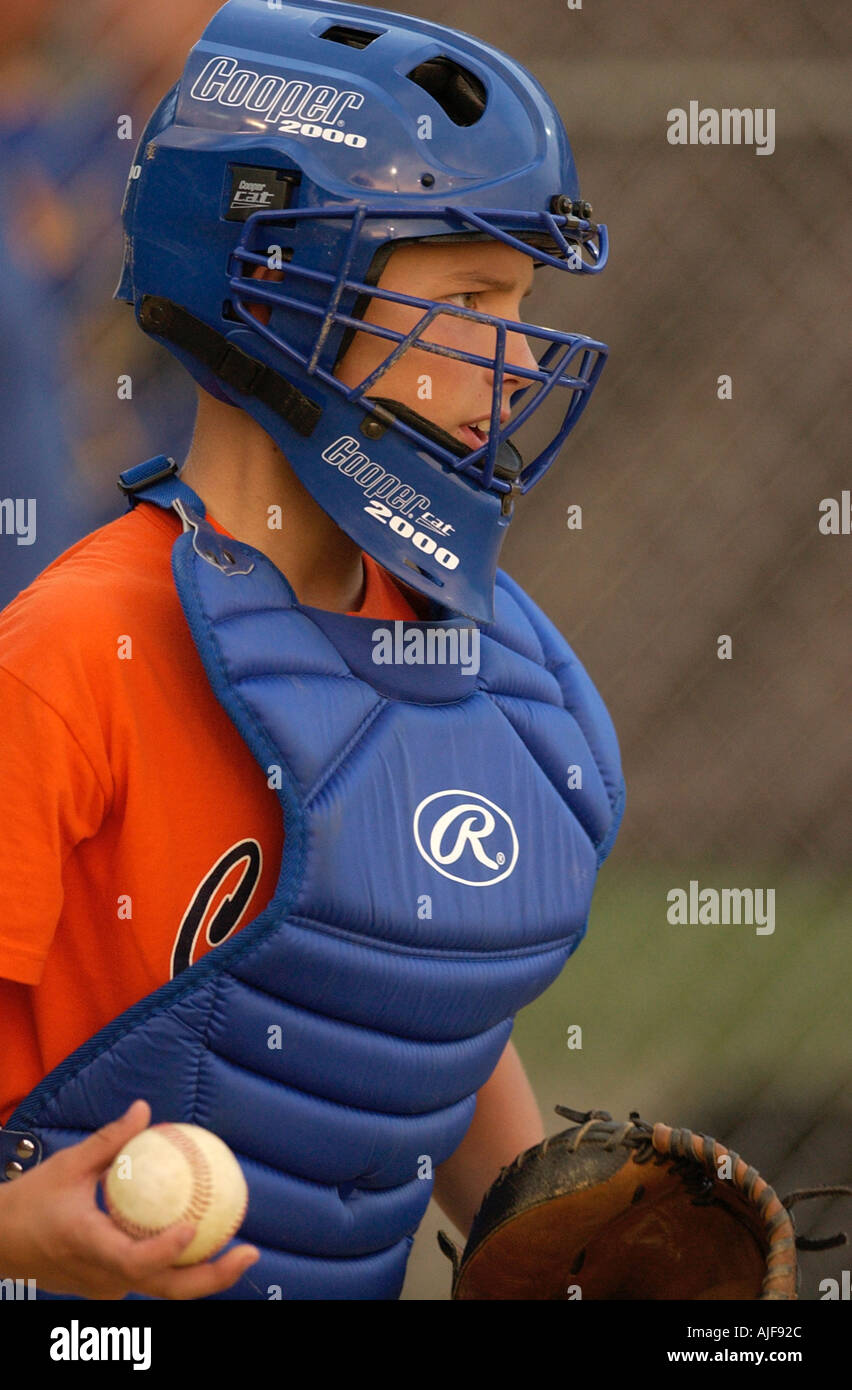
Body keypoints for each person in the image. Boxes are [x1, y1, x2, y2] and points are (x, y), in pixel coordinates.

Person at [0, 0, 624, 1301]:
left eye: (523, 297)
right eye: (469, 296)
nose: (515, 358)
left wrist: (582, 1249)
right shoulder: (75, 653)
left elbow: (383, 1002)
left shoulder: (478, 655)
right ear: (276, 281)